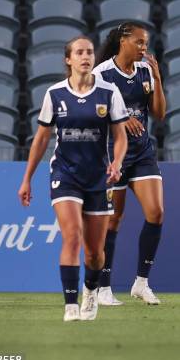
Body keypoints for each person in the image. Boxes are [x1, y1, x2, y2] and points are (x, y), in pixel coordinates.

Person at [18, 36, 128, 321]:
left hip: (98, 177)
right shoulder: (55, 94)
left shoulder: (108, 92)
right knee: (71, 236)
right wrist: (27, 178)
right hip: (65, 174)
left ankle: (90, 291)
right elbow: (41, 139)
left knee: (94, 253)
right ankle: (70, 305)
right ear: (68, 59)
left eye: (89, 52)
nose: (85, 56)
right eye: (79, 52)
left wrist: (116, 162)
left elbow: (120, 137)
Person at [93, 22, 167, 306]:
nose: (143, 48)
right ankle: (104, 287)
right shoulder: (102, 74)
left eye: (145, 43)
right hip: (113, 153)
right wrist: (121, 117)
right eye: (138, 42)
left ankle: (141, 283)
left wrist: (158, 79)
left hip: (143, 152)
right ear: (123, 41)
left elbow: (159, 114)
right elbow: (92, 112)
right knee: (113, 219)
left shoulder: (146, 71)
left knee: (156, 212)